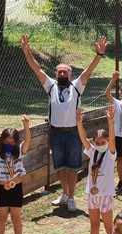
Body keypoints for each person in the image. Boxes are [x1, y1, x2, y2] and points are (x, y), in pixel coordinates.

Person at [21, 35, 108, 213]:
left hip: (73, 133)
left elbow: (88, 71)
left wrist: (99, 54)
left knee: (73, 167)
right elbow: (36, 68)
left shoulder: (76, 86)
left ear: (70, 74)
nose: (62, 74)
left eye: (65, 72)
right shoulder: (51, 86)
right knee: (60, 166)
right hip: (56, 133)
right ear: (56, 74)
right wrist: (27, 52)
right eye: (59, 72)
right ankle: (65, 194)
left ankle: (71, 198)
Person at [75, 107, 116, 234]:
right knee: (94, 224)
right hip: (92, 194)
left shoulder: (111, 153)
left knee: (108, 225)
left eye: (102, 143)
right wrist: (79, 122)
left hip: (105, 194)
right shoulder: (92, 152)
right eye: (97, 143)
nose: (100, 145)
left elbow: (112, 139)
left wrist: (110, 121)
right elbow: (83, 138)